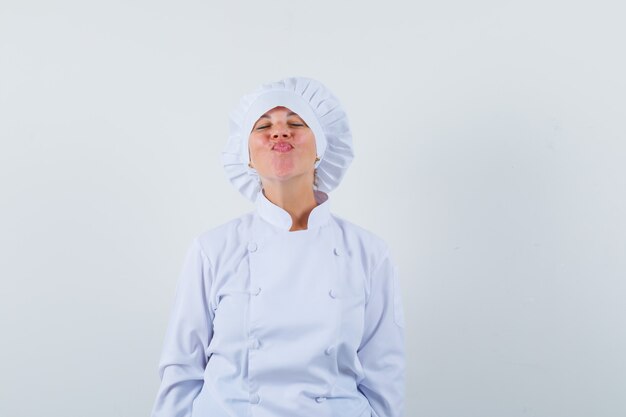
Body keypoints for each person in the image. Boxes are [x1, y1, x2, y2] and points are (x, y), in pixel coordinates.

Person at [150, 77, 405, 417]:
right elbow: (181, 372)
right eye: (264, 125)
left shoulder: (369, 253)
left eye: (296, 124)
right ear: (246, 156)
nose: (280, 132)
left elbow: (384, 378)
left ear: (323, 148)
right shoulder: (213, 249)